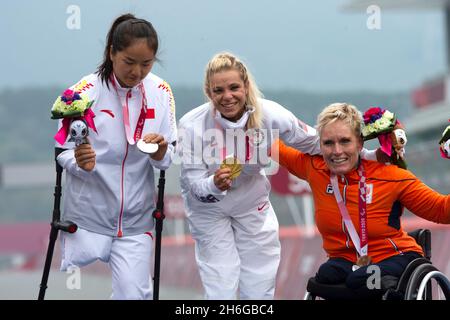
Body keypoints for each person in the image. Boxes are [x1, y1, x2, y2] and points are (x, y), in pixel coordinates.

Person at [177, 52, 382, 299]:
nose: (227, 96)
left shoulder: (271, 115)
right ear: (209, 93)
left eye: (234, 88)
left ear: (246, 86)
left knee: (259, 280)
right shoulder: (191, 126)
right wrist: (214, 183)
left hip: (251, 202)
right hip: (209, 209)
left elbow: (314, 143)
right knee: (221, 279)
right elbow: (193, 186)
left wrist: (368, 155)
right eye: (218, 90)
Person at [55, 13, 177, 299]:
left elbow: (167, 158)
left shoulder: (161, 92)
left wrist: (160, 150)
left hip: (136, 219)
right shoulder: (83, 92)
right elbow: (62, 150)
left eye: (146, 64)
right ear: (112, 53)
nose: (137, 72)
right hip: (89, 216)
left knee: (133, 295)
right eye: (129, 63)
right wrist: (79, 162)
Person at [276, 102, 450, 299]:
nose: (337, 151)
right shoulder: (314, 168)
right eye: (328, 143)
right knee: (326, 275)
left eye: (344, 141)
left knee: (362, 280)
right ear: (319, 145)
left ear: (359, 143)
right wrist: (241, 120)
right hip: (347, 262)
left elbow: (442, 211)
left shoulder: (391, 176)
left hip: (395, 257)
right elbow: (272, 148)